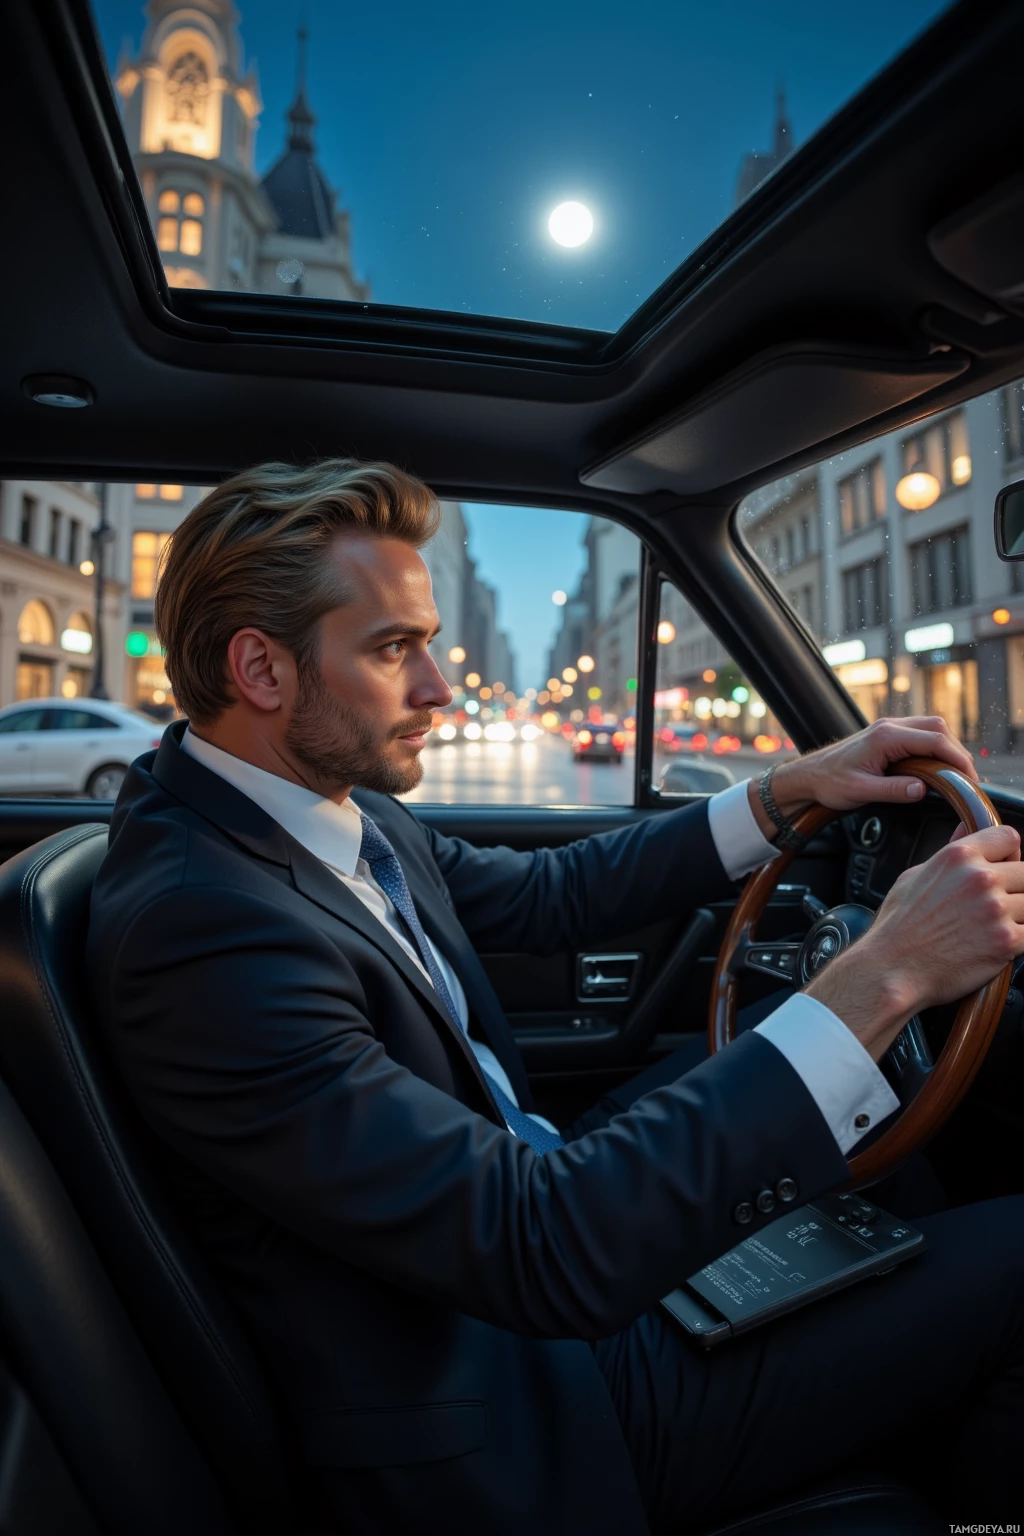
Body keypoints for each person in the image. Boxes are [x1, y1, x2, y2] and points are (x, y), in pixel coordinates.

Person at [86, 459, 1024, 1535]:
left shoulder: (316, 808)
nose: (438, 687)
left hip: (525, 1252)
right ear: (260, 669)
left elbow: (547, 895)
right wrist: (879, 977)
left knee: (826, 1084)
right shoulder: (203, 930)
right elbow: (539, 1252)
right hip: (526, 1404)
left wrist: (785, 789)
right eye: (394, 649)